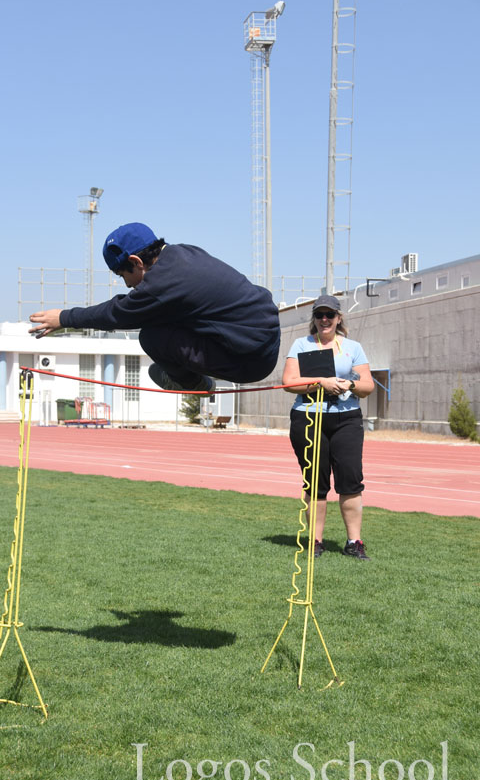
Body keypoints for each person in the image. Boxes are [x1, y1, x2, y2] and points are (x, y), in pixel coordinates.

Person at [29, 223, 280, 393]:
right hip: (262, 336)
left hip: (250, 360)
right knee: (164, 316)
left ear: (136, 262)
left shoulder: (162, 284)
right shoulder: (184, 253)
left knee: (152, 336)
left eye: (122, 275)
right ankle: (189, 373)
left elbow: (117, 314)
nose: (127, 285)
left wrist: (64, 317)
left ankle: (193, 384)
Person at [282, 295, 375, 560]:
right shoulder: (301, 344)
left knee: (350, 480)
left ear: (338, 318)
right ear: (314, 318)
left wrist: (350, 385)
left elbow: (367, 385)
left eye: (330, 315)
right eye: (320, 315)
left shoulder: (353, 347)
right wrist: (321, 381)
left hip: (347, 418)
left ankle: (354, 541)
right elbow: (289, 382)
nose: (325, 319)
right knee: (315, 481)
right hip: (309, 417)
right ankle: (315, 541)